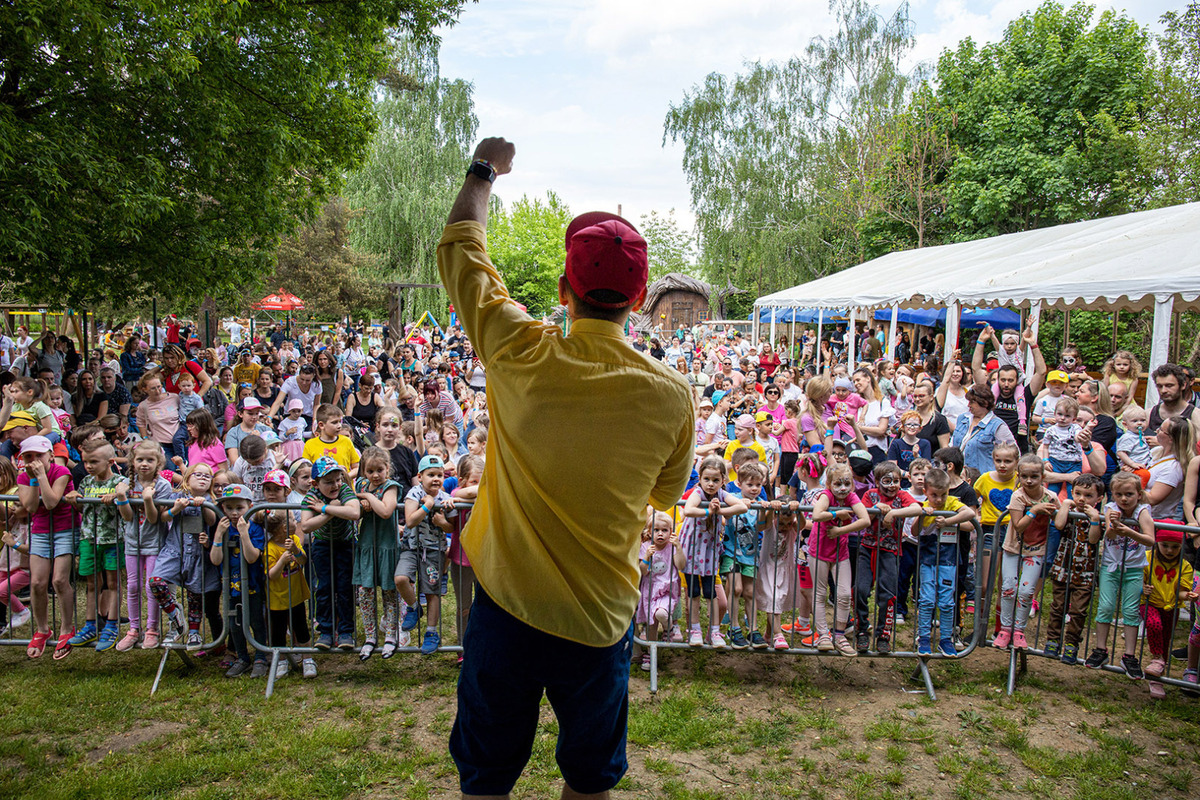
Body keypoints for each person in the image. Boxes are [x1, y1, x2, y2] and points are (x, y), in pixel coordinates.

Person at [438, 137, 694, 800]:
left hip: (506, 608)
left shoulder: (516, 347)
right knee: (589, 780)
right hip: (600, 618)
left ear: (562, 290)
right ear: (639, 300)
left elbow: (462, 247)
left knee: (486, 782)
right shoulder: (671, 395)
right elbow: (665, 494)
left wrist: (485, 169)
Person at [993, 455, 1058, 652]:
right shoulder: (1018, 496)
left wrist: (1068, 506)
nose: (1029, 481)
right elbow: (1019, 526)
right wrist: (1035, 510)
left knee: (1027, 591)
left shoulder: (1051, 498)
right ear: (1019, 476)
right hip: (1013, 547)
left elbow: (1061, 521)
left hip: (1036, 549)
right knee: (1008, 587)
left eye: (1034, 476)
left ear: (1042, 477)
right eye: (1025, 476)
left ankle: (1019, 630)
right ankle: (1005, 629)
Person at [1043, 474, 1105, 666]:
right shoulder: (1069, 510)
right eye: (1077, 493)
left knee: (1078, 610)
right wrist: (1066, 505)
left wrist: (1094, 519)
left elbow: (1094, 539)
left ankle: (1071, 644)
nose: (1081, 499)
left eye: (1088, 495)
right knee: (1057, 606)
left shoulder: (1099, 517)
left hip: (1085, 571)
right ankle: (1053, 640)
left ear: (1098, 499)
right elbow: (1059, 524)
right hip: (1064, 566)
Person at [353, 447, 402, 661]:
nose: (375, 475)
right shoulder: (361, 483)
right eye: (370, 470)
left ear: (387, 469)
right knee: (365, 593)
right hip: (366, 545)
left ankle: (391, 635)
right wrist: (362, 498)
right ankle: (370, 636)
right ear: (364, 470)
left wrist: (366, 497)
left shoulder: (390, 486)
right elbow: (355, 507)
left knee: (390, 593)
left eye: (379, 470)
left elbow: (385, 511)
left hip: (387, 546)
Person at [1147, 363, 1200, 434]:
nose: (1163, 390)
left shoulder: (1196, 416)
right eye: (1159, 386)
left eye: (1169, 386)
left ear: (1183, 385)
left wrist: (1163, 442)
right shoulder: (1149, 414)